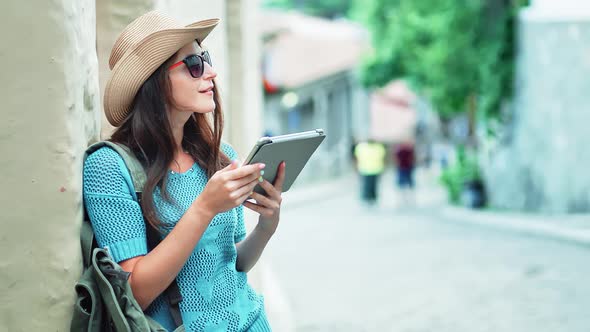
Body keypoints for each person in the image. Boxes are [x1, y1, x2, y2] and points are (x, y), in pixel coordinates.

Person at [83, 11, 282, 331]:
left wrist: (267, 226)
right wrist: (205, 207)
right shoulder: (109, 167)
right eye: (194, 64)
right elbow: (135, 293)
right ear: (156, 81)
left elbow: (234, 264)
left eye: (207, 58)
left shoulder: (219, 155)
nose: (211, 73)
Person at [353, 138, 386, 206]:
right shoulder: (378, 147)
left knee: (370, 185)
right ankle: (369, 198)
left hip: (370, 169)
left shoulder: (361, 147)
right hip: (369, 169)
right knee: (369, 185)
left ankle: (370, 198)